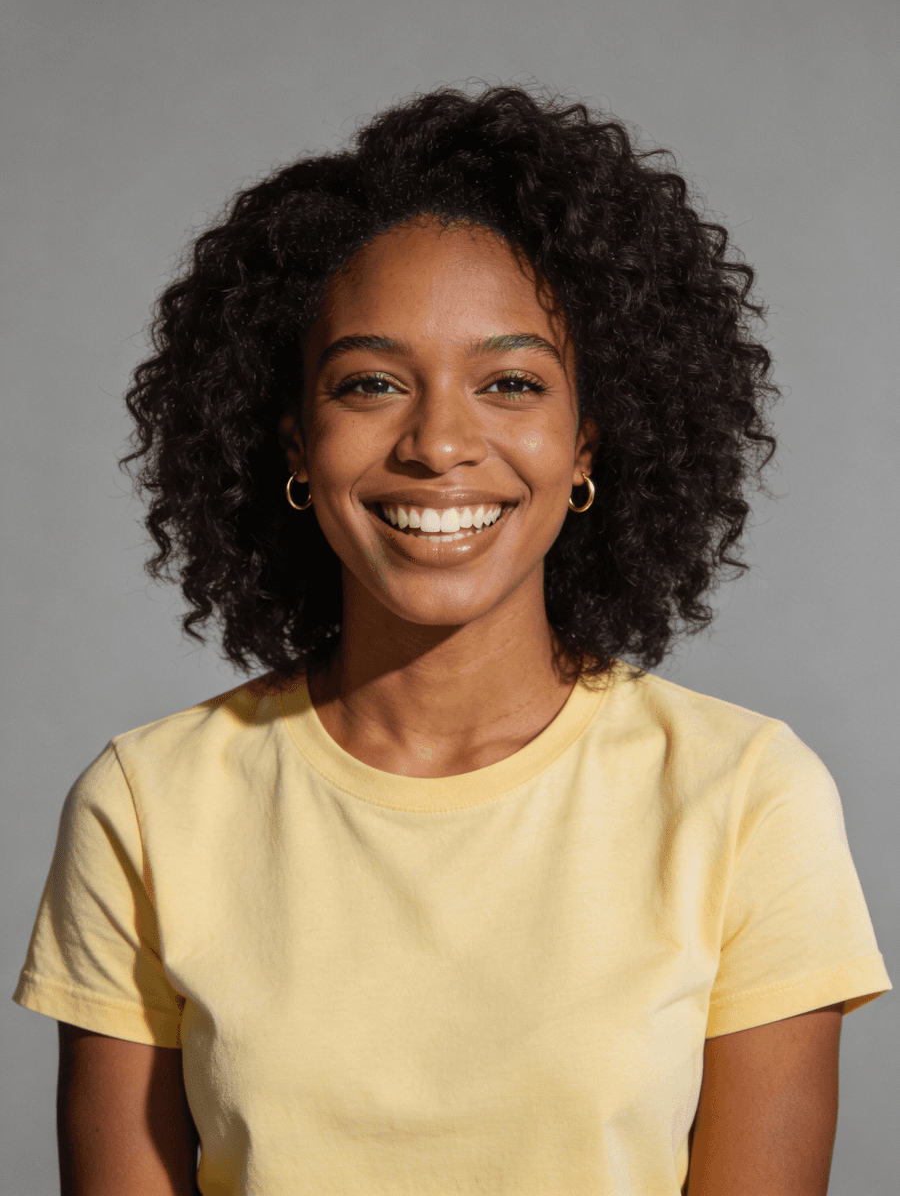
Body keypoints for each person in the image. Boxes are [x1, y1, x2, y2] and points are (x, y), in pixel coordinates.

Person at [14, 84, 891, 1196]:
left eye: (511, 383)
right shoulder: (147, 805)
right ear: (294, 442)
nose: (438, 442)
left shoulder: (744, 798)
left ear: (586, 447)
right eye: (371, 383)